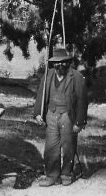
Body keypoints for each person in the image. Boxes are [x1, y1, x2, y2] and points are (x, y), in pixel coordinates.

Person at [33, 48, 88, 186]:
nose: (60, 65)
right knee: (51, 146)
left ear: (68, 62)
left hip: (68, 116)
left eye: (63, 62)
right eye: (57, 63)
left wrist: (79, 122)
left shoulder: (76, 77)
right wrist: (38, 113)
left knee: (68, 146)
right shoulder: (48, 75)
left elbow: (82, 101)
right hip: (51, 115)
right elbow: (41, 94)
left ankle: (66, 174)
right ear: (53, 64)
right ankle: (52, 175)